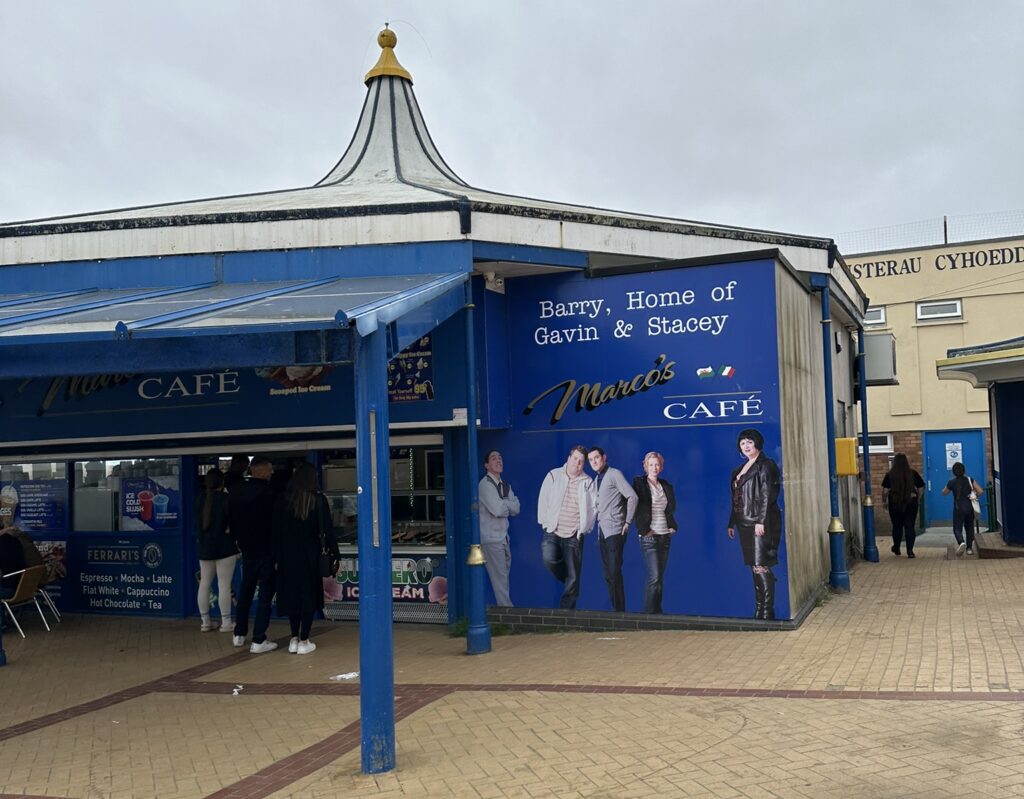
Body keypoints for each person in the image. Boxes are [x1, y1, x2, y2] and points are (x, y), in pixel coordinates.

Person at [274, 462, 339, 655]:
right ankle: (304, 639)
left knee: (292, 596)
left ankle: (293, 637)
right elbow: (328, 530)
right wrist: (336, 555)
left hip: (287, 557)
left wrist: (277, 557)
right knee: (309, 597)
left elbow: (275, 532)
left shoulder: (282, 500)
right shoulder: (318, 500)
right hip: (311, 556)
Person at [727, 429, 782, 620]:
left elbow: (769, 495)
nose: (746, 446)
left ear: (757, 443)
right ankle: (759, 608)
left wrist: (761, 520)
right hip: (743, 522)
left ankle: (766, 610)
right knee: (754, 565)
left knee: (760, 565)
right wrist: (731, 522)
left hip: (759, 522)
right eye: (742, 443)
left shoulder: (766, 465)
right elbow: (736, 498)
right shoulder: (739, 469)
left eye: (749, 442)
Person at [228, 455, 279, 653]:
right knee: (265, 594)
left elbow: (230, 521)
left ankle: (239, 634)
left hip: (247, 550)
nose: (272, 472)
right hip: (266, 550)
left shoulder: (236, 491)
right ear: (262, 470)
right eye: (270, 469)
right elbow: (274, 526)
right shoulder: (268, 494)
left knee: (246, 591)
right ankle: (259, 639)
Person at [537, 445, 596, 609]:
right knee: (549, 559)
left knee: (573, 576)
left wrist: (584, 528)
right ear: (569, 458)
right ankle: (571, 580)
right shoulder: (553, 475)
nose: (577, 463)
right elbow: (544, 499)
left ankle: (566, 614)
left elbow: (593, 508)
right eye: (575, 459)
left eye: (581, 461)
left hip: (573, 534)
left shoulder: (588, 482)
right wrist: (545, 522)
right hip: (553, 530)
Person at [587, 447, 637, 612]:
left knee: (614, 573)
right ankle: (616, 613)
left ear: (604, 457)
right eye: (591, 460)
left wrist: (627, 521)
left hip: (615, 531)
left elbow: (632, 496)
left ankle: (620, 614)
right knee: (608, 574)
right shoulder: (596, 480)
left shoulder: (614, 474)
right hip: (602, 532)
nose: (594, 462)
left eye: (596, 458)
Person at [194, 468, 239, 633]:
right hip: (225, 547)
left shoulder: (200, 499)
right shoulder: (226, 499)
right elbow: (234, 522)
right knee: (224, 585)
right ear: (222, 482)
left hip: (205, 547)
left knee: (204, 583)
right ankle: (226, 622)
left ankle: (205, 621)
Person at [632, 451, 676, 614]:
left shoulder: (665, 485)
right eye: (651, 464)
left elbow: (670, 509)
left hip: (665, 535)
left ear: (661, 466)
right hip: (649, 536)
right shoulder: (639, 484)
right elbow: (636, 507)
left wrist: (672, 526)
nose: (654, 467)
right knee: (654, 577)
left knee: (660, 579)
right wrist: (644, 530)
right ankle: (648, 616)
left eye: (657, 464)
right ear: (645, 466)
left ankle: (657, 613)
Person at [478, 450, 520, 607]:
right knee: (500, 578)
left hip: (503, 538)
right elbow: (497, 510)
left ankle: (505, 611)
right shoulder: (485, 485)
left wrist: (504, 504)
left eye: (500, 458)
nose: (498, 461)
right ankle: (507, 612)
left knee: (503, 577)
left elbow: (517, 509)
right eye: (494, 458)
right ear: (487, 465)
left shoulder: (504, 485)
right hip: (491, 539)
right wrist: (506, 503)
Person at [881, 453, 925, 558]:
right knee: (910, 526)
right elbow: (921, 487)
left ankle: (896, 548)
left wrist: (884, 501)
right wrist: (918, 499)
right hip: (911, 502)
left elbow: (885, 490)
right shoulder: (913, 473)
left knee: (897, 526)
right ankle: (910, 551)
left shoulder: (890, 474)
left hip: (895, 502)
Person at [942, 462, 984, 557]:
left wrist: (948, 487)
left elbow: (944, 492)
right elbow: (980, 491)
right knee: (969, 528)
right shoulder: (970, 480)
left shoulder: (952, 482)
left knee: (957, 528)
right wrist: (974, 495)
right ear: (964, 470)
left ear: (953, 472)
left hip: (958, 508)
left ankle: (961, 542)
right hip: (969, 508)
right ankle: (969, 549)